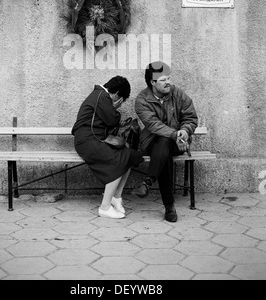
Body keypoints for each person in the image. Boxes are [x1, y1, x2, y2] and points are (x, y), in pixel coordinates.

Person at [133, 61, 198, 222]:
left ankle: (149, 182)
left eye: (168, 78)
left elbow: (191, 117)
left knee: (164, 148)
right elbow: (153, 125)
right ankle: (169, 206)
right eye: (163, 80)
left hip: (179, 143)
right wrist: (175, 134)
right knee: (163, 147)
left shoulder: (178, 94)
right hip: (151, 143)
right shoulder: (142, 100)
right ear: (152, 82)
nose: (168, 82)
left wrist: (185, 130)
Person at [72, 76, 144, 219]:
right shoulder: (102, 96)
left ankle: (116, 197)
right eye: (121, 101)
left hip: (93, 140)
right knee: (119, 159)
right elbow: (112, 119)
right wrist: (115, 107)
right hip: (87, 142)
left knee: (129, 155)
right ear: (117, 94)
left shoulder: (99, 95)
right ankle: (105, 207)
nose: (120, 105)